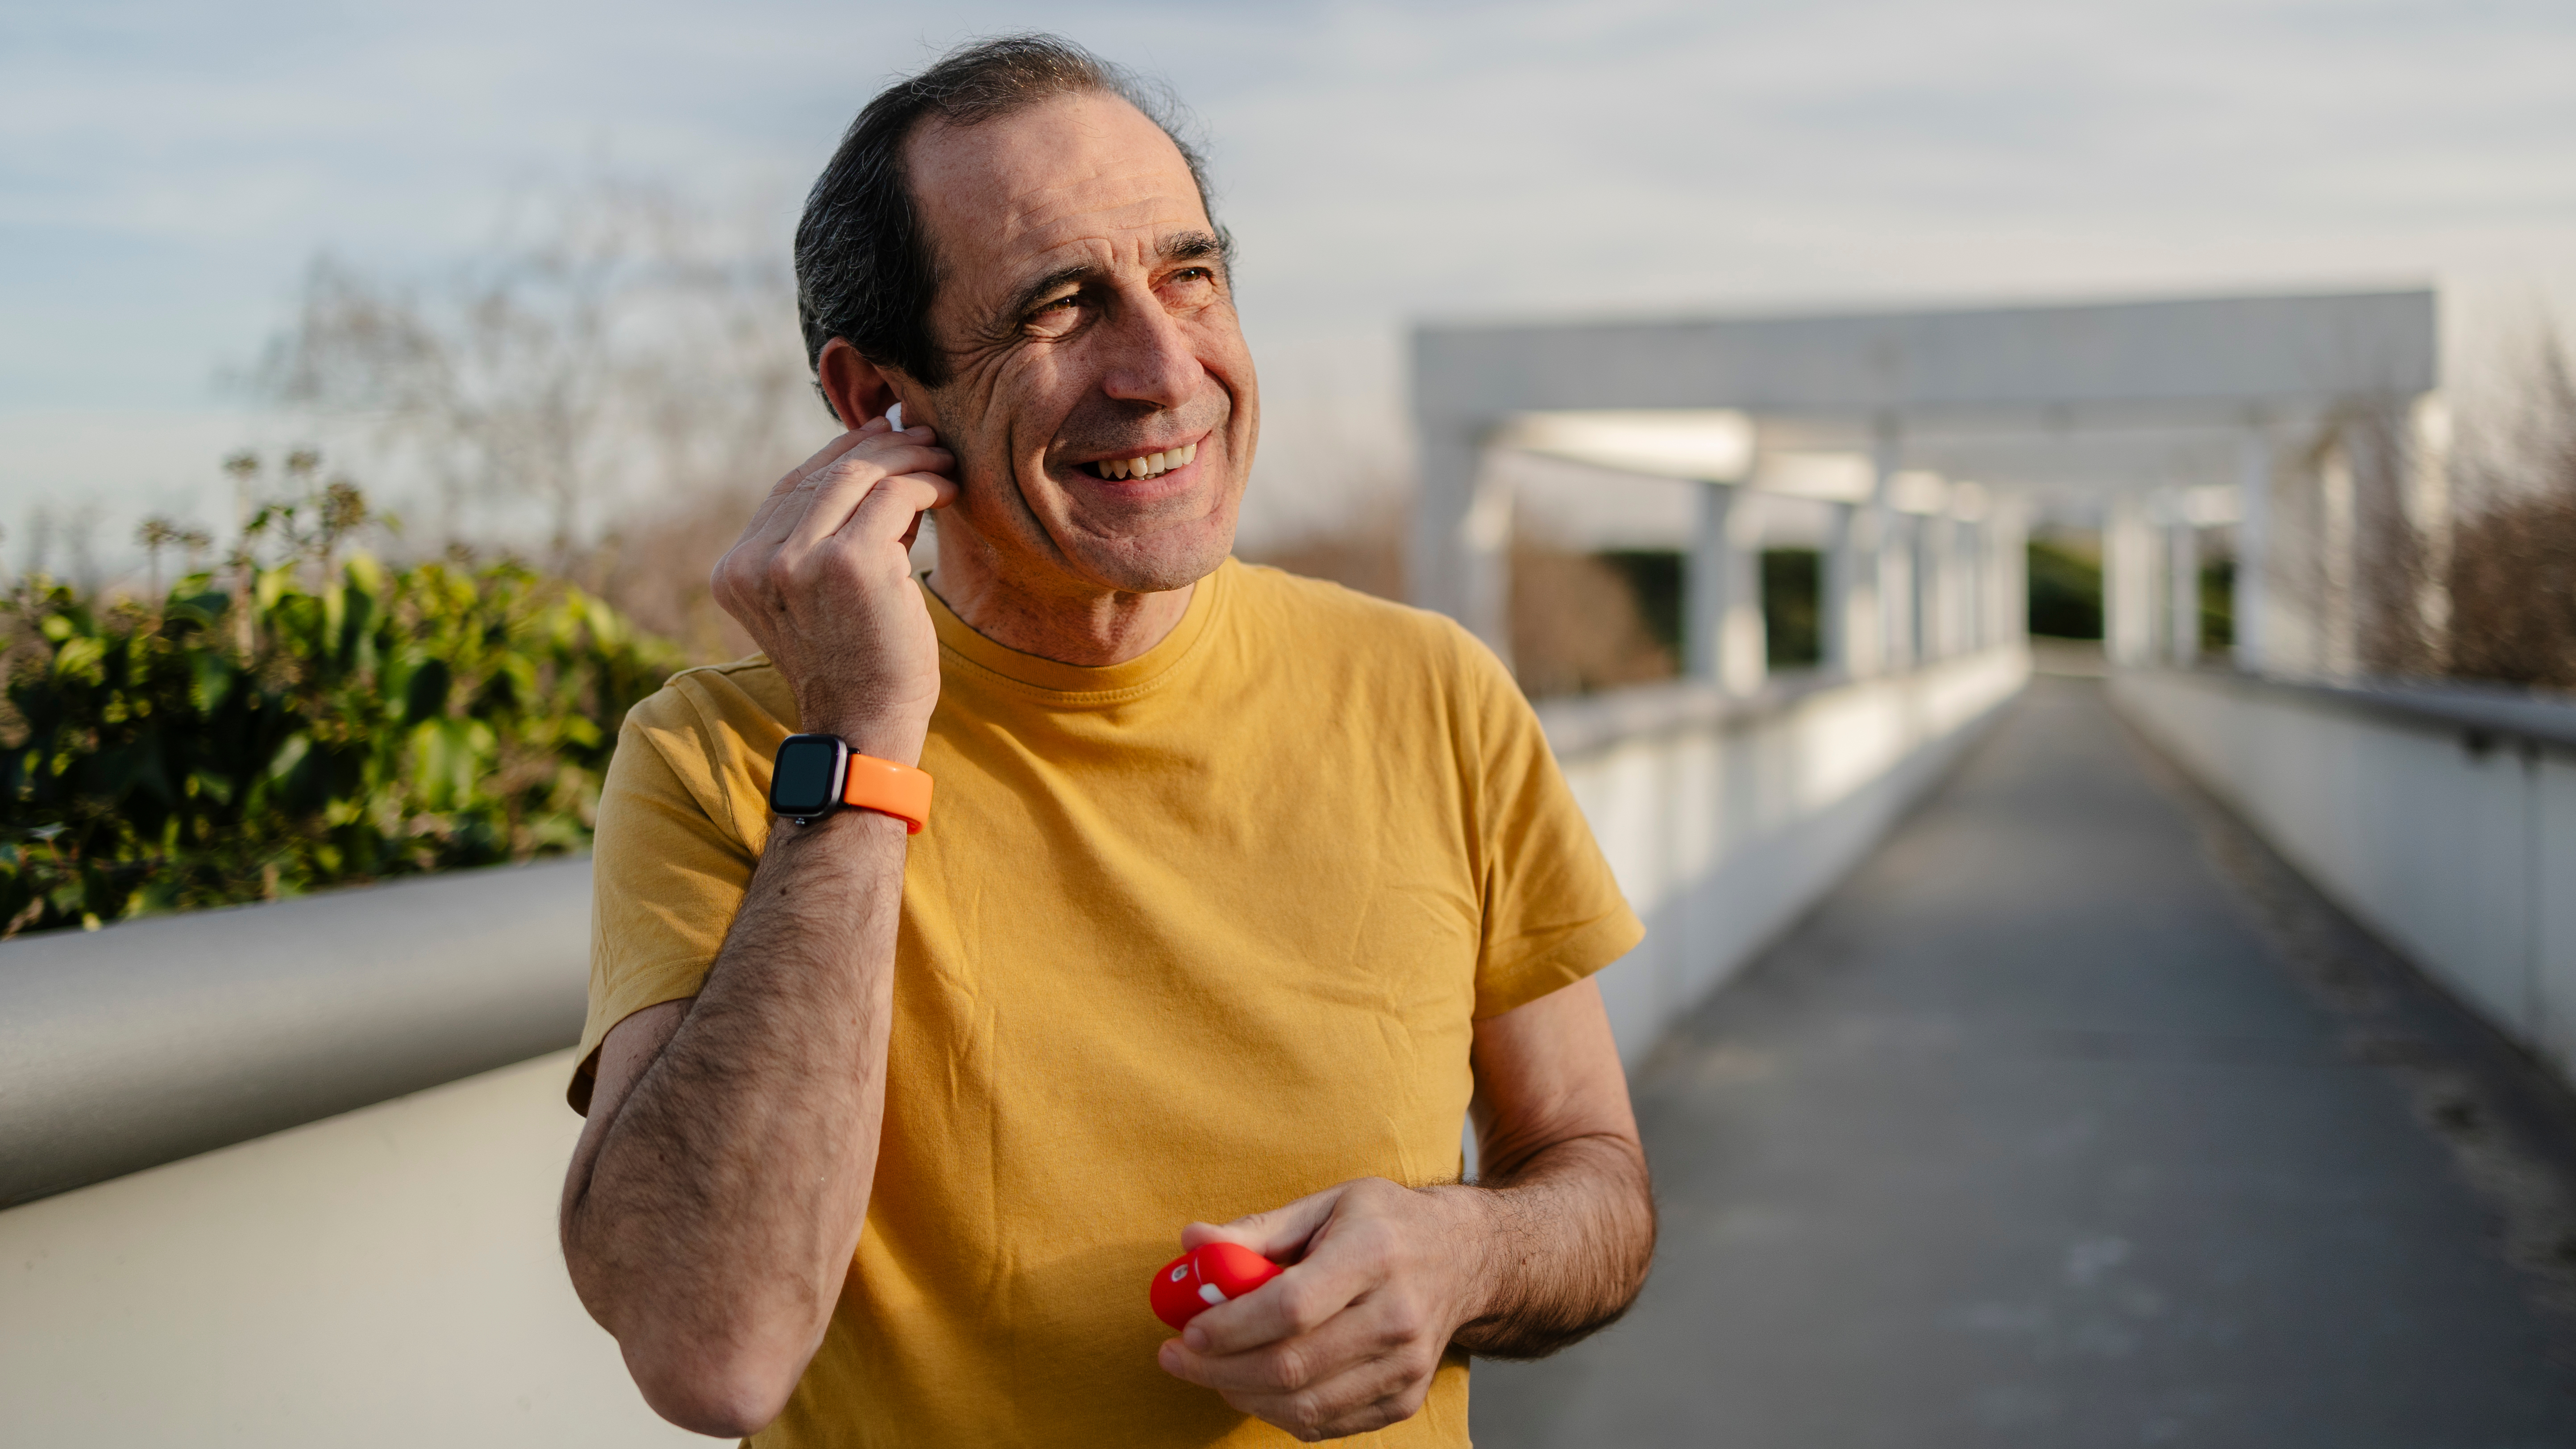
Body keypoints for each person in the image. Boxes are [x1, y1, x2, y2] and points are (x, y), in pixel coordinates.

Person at [558, 34, 1654, 1448]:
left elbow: (1598, 1187)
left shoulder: (1430, 689)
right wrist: (861, 746)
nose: (1162, 367)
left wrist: (1463, 1261)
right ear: (872, 402)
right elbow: (712, 1355)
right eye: (1061, 307)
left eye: (1188, 274)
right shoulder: (726, 754)